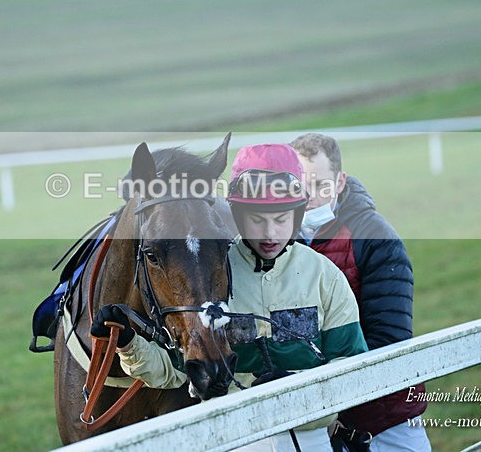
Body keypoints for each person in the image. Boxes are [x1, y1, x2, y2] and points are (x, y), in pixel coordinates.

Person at [92, 143, 368, 451]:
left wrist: (294, 390)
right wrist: (130, 344)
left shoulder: (325, 276)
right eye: (257, 218)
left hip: (312, 439)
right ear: (236, 215)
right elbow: (173, 372)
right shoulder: (212, 275)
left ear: (297, 213)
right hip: (238, 440)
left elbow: (353, 368)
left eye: (280, 219)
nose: (269, 234)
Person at [289, 133, 430, 452]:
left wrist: (334, 409)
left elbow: (388, 340)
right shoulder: (280, 240)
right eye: (299, 185)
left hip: (385, 420)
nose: (308, 196)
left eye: (319, 185)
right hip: (316, 423)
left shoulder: (375, 237)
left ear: (339, 182)